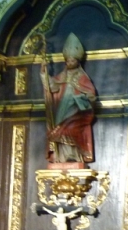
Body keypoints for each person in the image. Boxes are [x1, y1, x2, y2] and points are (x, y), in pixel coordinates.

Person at [41, 33, 96, 164]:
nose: (70, 63)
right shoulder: (62, 76)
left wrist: (85, 97)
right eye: (68, 61)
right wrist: (44, 71)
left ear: (77, 62)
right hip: (62, 107)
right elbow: (51, 86)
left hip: (76, 109)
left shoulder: (83, 78)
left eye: (72, 61)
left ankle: (74, 154)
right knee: (59, 128)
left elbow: (91, 94)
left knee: (71, 128)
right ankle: (61, 156)